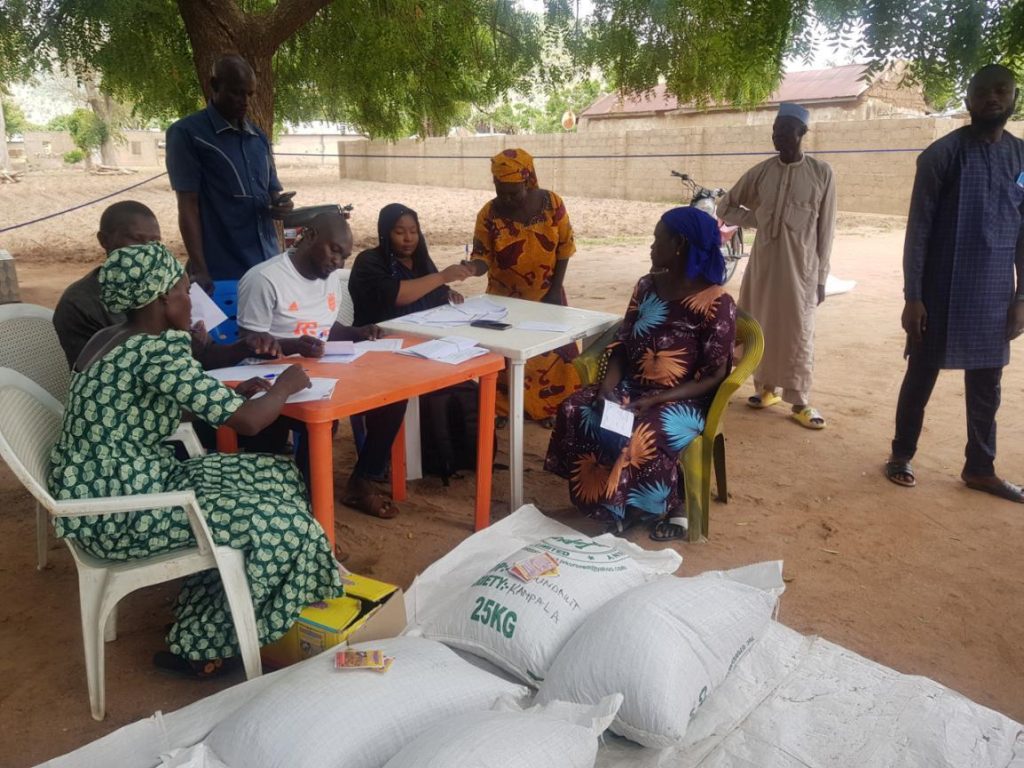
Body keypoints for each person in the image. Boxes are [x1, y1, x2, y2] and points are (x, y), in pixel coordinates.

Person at [48, 242, 342, 678]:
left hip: (115, 482)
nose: (192, 300)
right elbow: (248, 425)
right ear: (160, 299)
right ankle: (205, 643)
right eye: (185, 291)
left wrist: (227, 394)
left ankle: (209, 614)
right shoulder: (157, 351)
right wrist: (285, 386)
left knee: (273, 474)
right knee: (286, 526)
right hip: (121, 513)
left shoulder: (111, 338)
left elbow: (149, 402)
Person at [544, 208, 736, 541]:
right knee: (578, 408)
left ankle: (644, 508)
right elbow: (622, 345)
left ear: (679, 244)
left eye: (656, 239)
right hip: (632, 387)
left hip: (684, 397)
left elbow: (715, 374)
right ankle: (604, 501)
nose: (651, 246)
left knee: (641, 432)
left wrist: (660, 398)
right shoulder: (647, 286)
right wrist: (607, 387)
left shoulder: (717, 303)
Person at [885, 64, 1024, 502]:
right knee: (921, 375)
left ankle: (980, 468)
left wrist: (1022, 297)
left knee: (988, 385)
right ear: (968, 101)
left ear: (1014, 99)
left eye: (1002, 91)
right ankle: (901, 455)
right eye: (982, 92)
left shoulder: (1022, 159)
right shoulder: (941, 155)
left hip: (994, 294)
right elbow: (919, 230)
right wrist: (914, 297)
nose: (992, 99)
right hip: (941, 292)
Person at [236, 212, 406, 519]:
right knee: (322, 421)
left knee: (393, 399)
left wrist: (358, 332)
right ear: (309, 235)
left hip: (324, 370)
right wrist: (292, 346)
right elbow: (251, 344)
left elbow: (327, 331)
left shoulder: (329, 280)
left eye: (344, 256)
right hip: (271, 379)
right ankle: (309, 511)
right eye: (334, 251)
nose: (339, 263)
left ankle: (363, 481)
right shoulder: (265, 279)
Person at [717, 102, 837, 429]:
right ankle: (765, 389)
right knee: (758, 323)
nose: (777, 137)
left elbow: (826, 230)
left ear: (801, 133)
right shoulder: (762, 172)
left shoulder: (821, 174)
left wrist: (821, 278)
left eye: (784, 131)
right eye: (774, 130)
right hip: (763, 267)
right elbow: (725, 205)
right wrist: (755, 219)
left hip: (802, 271)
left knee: (797, 330)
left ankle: (800, 401)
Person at [53, 200, 282, 368]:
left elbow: (210, 354)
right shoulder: (80, 302)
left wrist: (248, 346)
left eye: (154, 241)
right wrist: (185, 347)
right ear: (104, 241)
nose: (148, 250)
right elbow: (105, 376)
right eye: (135, 239)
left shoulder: (172, 286)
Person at [463, 148, 581, 425]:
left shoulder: (551, 203)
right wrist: (471, 268)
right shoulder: (488, 214)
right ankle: (504, 408)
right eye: (501, 191)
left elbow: (565, 247)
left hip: (546, 293)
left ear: (528, 181)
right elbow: (483, 256)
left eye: (514, 192)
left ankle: (549, 407)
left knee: (548, 354)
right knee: (505, 353)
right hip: (502, 298)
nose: (507, 198)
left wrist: (554, 290)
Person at [166, 54, 294, 291]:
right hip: (221, 266)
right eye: (236, 92)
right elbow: (187, 206)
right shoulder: (187, 134)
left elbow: (272, 193)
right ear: (214, 85)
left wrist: (281, 206)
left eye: (249, 94)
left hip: (267, 262)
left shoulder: (258, 138)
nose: (244, 101)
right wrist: (200, 267)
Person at [348, 203, 473, 325]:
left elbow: (435, 288)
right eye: (399, 232)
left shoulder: (420, 260)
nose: (408, 238)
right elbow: (396, 296)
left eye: (413, 232)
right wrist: (442, 277)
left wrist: (447, 294)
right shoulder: (368, 261)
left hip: (424, 332)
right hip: (378, 338)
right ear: (385, 234)